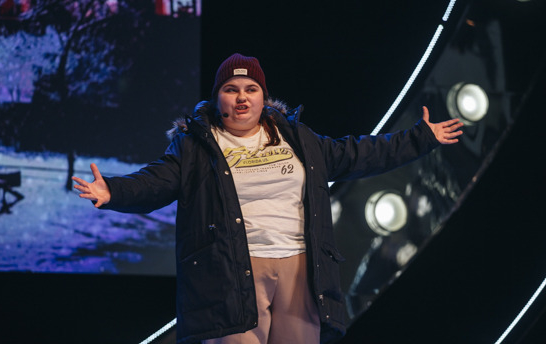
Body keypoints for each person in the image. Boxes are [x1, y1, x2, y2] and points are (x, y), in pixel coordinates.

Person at [72, 53, 463, 344]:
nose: (241, 98)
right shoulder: (196, 147)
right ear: (218, 98)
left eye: (251, 89)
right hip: (231, 272)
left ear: (263, 96)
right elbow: (155, 181)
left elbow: (357, 153)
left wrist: (420, 138)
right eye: (231, 89)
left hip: (300, 269)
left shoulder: (297, 138)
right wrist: (114, 190)